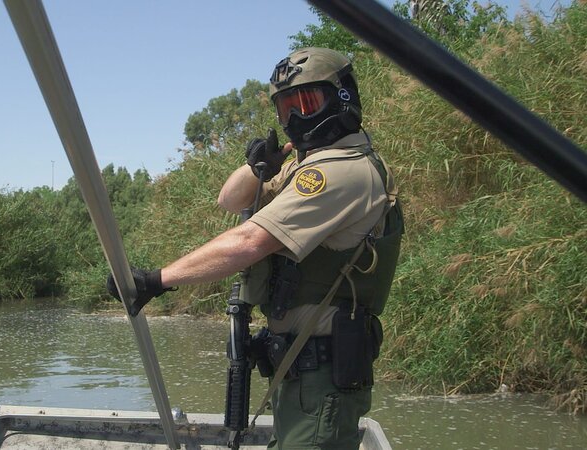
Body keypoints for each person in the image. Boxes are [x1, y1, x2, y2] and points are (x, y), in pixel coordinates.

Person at [107, 47, 403, 449]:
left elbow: (249, 241)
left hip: (322, 376)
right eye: (285, 110)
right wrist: (256, 167)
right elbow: (229, 200)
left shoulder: (342, 172)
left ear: (341, 98)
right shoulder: (311, 165)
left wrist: (157, 280)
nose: (296, 119)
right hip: (301, 371)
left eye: (307, 102)